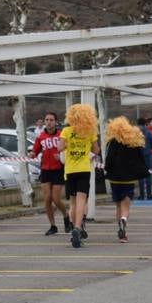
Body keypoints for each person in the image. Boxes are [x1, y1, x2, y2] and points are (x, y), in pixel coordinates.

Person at [60, 102, 100, 248]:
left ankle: (72, 228)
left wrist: (67, 145)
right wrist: (86, 152)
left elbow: (59, 148)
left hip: (70, 170)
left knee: (73, 202)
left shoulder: (66, 131)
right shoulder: (90, 132)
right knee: (82, 199)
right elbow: (96, 150)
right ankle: (78, 227)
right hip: (84, 169)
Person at [104, 115, 149, 242]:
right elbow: (141, 159)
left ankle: (121, 229)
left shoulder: (112, 142)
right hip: (129, 178)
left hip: (115, 178)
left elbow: (108, 160)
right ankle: (124, 221)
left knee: (118, 204)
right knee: (126, 203)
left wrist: (107, 169)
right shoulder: (134, 142)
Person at [31, 111, 72, 235]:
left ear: (55, 122)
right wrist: (32, 154)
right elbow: (35, 151)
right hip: (45, 169)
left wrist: (60, 156)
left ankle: (66, 216)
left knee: (56, 199)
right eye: (47, 120)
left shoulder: (61, 135)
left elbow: (68, 150)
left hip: (58, 169)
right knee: (47, 199)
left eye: (51, 120)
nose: (49, 122)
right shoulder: (41, 136)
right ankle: (53, 226)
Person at [137, 116, 152, 200]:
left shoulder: (135, 133)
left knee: (140, 175)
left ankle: (142, 195)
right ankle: (149, 195)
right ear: (145, 124)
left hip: (138, 156)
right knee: (147, 175)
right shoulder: (148, 133)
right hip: (147, 155)